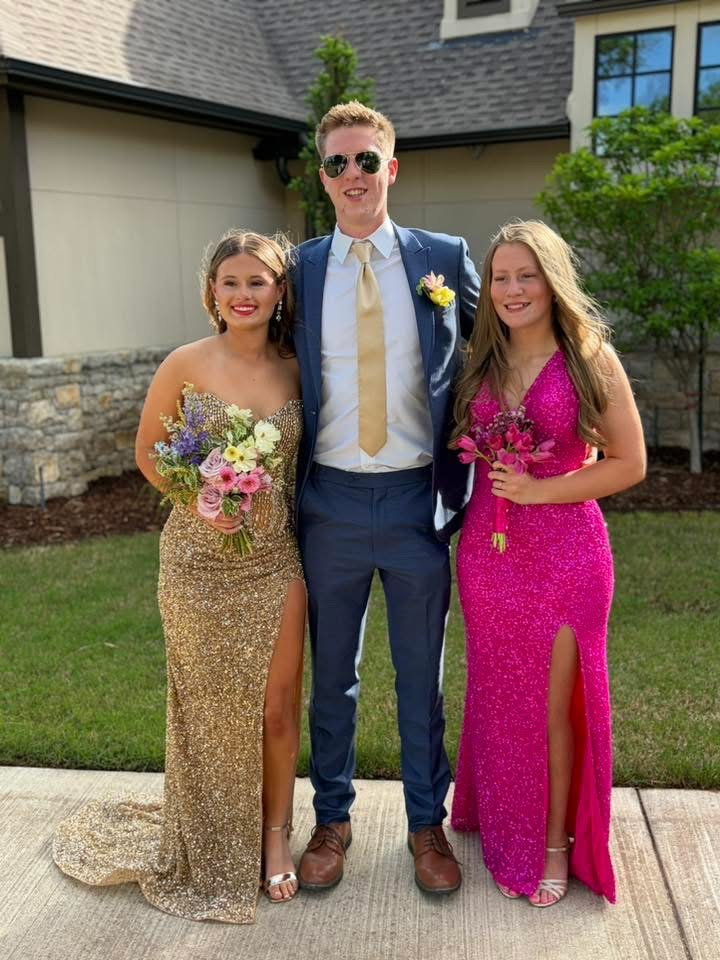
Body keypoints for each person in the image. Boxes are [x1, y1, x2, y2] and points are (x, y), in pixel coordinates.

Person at [53, 230, 305, 921]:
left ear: (280, 291)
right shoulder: (185, 363)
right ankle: (212, 844)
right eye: (231, 281)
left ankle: (276, 837)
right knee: (205, 715)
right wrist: (199, 497)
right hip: (197, 562)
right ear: (212, 293)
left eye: (259, 281)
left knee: (278, 708)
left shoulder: (297, 367)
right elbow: (149, 452)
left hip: (277, 559)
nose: (244, 294)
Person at [292, 101, 480, 895]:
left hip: (414, 503)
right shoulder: (296, 269)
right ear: (323, 176)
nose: (353, 176)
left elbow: (501, 343)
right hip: (330, 503)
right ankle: (331, 820)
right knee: (331, 675)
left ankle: (424, 826)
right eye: (337, 163)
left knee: (419, 675)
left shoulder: (443, 256)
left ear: (391, 168)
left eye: (366, 160)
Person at [450, 219, 646, 906]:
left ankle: (556, 844)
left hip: (568, 555)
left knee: (554, 708)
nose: (511, 289)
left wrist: (543, 489)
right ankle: (503, 822)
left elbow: (630, 462)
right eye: (500, 277)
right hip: (487, 553)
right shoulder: (481, 360)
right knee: (501, 696)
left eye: (525, 275)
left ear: (551, 280)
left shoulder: (589, 356)